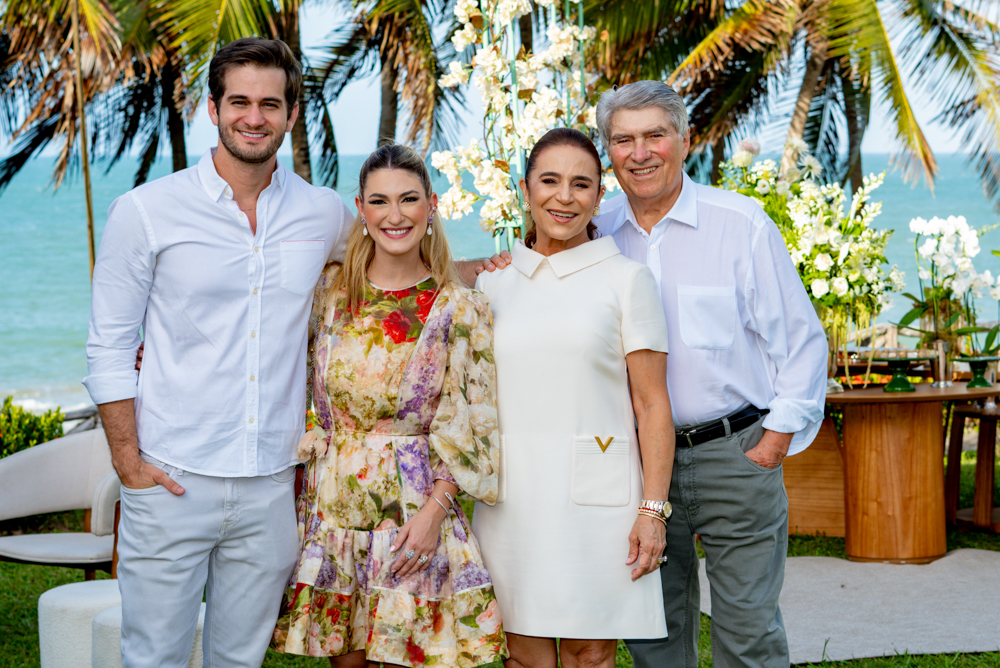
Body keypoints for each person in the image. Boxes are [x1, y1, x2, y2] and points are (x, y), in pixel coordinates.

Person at [480, 83, 828, 668]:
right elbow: (535, 289)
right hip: (632, 466)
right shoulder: (594, 225)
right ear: (610, 154)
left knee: (748, 628)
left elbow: (800, 340)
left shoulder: (739, 223)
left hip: (733, 452)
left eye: (654, 136)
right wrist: (491, 264)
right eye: (623, 140)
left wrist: (773, 441)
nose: (639, 152)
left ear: (685, 141)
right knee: (655, 638)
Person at [83, 38, 355, 668]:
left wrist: (510, 262)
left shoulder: (323, 213)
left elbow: (396, 268)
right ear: (213, 107)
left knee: (241, 661)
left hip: (269, 486)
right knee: (153, 657)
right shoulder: (147, 212)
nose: (253, 117)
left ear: (291, 114)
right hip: (170, 474)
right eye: (239, 101)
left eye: (269, 104)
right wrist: (128, 462)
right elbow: (110, 345)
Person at [270, 143, 507, 668]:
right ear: (361, 208)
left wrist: (433, 513)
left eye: (408, 200)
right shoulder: (327, 293)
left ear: (432, 205)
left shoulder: (458, 306)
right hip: (333, 505)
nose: (394, 215)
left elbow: (473, 424)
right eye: (379, 201)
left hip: (412, 511)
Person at [472, 127, 674, 668]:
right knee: (524, 655)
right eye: (550, 181)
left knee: (592, 654)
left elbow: (652, 405)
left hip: (601, 498)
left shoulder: (627, 280)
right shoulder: (490, 285)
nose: (565, 197)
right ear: (524, 188)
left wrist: (652, 511)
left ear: (599, 196)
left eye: (581, 184)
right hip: (511, 499)